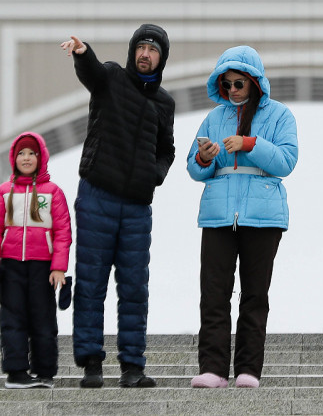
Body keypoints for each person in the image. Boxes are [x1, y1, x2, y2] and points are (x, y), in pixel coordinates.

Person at [60, 24, 175, 388]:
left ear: (161, 58)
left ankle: (132, 367)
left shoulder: (165, 103)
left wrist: (152, 176)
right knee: (91, 283)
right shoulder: (110, 77)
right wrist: (83, 53)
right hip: (98, 195)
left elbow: (166, 150)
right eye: (140, 47)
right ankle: (91, 364)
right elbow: (91, 71)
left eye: (153, 50)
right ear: (132, 52)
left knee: (134, 288)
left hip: (138, 207)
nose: (145, 54)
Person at [186, 46, 298, 389]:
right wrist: (205, 158)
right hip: (219, 214)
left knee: (254, 294)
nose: (232, 90)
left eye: (238, 83)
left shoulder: (281, 116)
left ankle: (248, 370)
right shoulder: (213, 117)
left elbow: (286, 162)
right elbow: (193, 167)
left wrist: (249, 143)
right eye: (227, 84)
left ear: (253, 82)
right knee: (214, 293)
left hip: (263, 215)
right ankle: (213, 369)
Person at [0, 131, 72, 389]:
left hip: (42, 267)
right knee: (12, 319)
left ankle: (44, 371)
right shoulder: (3, 192)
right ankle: (16, 372)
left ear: (41, 157)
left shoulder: (53, 192)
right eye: (21, 153)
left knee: (43, 319)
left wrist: (58, 268)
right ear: (13, 158)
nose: (26, 157)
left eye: (32, 152)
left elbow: (63, 233)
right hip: (10, 265)